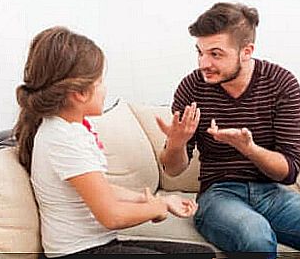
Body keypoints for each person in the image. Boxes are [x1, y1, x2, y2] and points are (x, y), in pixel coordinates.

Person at [156, 2, 300, 259]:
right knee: (255, 235)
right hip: (218, 195)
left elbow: (289, 171)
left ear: (246, 51)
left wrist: (249, 149)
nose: (204, 63)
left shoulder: (281, 83)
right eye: (200, 52)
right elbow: (173, 168)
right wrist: (177, 142)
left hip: (271, 194)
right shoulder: (192, 87)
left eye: (215, 54)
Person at [14, 26, 215, 258]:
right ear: (79, 93)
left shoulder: (67, 129)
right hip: (80, 253)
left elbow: (100, 189)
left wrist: (159, 200)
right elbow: (112, 216)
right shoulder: (64, 139)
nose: (105, 89)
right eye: (100, 82)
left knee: (202, 254)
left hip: (99, 245)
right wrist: (155, 208)